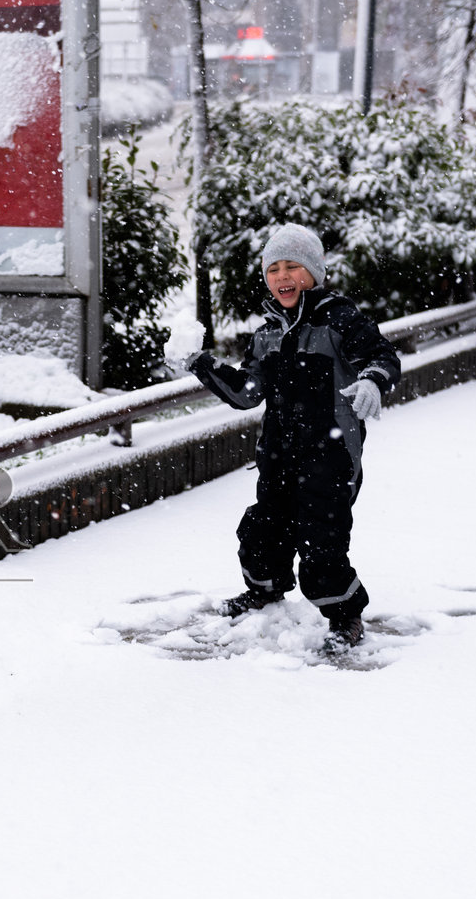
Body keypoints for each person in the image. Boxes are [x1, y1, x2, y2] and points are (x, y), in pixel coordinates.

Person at [172, 224, 401, 652]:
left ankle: (345, 615)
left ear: (314, 272)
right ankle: (264, 590)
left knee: (322, 540)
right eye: (273, 268)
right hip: (277, 453)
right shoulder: (267, 335)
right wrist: (200, 363)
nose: (282, 276)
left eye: (293, 266)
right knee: (263, 528)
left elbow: (382, 355)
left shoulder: (339, 319)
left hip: (331, 454)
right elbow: (246, 393)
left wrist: (372, 380)